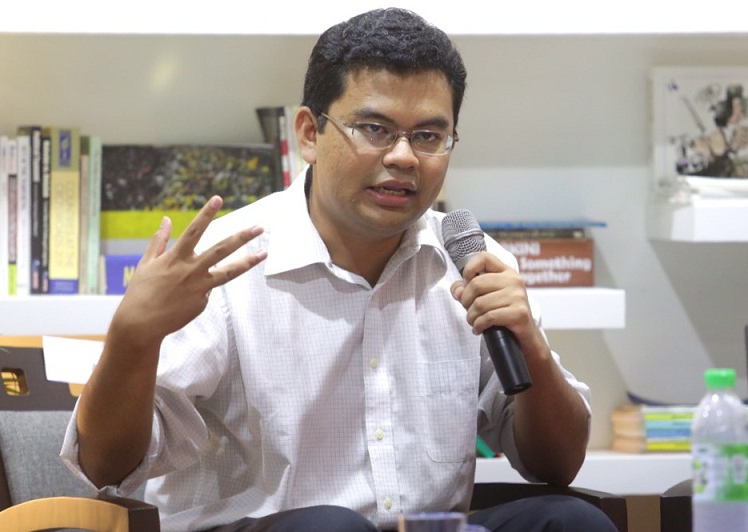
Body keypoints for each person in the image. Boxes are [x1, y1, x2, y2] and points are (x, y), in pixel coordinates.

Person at [61, 8, 616, 532]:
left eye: (428, 136)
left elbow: (557, 465)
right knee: (332, 526)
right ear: (309, 133)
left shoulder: (473, 262)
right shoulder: (228, 264)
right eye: (374, 129)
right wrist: (132, 339)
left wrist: (531, 348)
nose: (403, 156)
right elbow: (108, 466)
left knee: (571, 521)